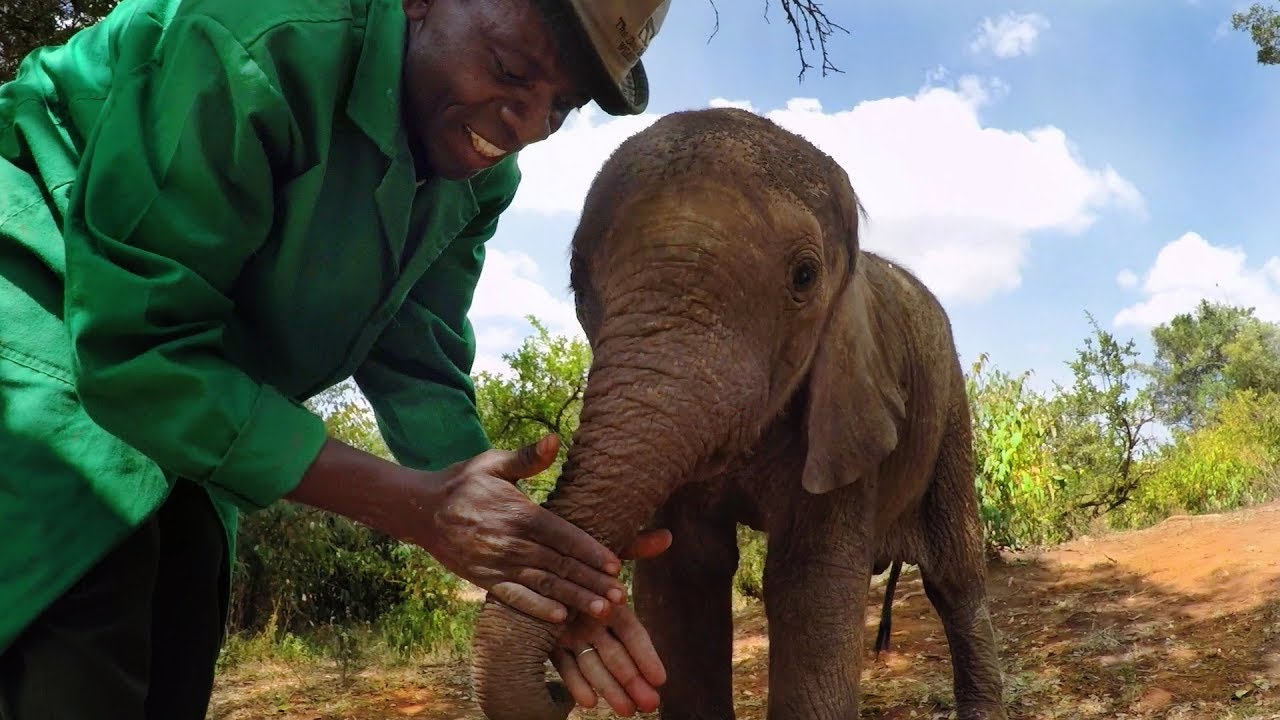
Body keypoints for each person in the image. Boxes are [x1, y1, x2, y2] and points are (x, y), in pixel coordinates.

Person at [0, 0, 675, 717]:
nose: (531, 125)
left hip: (192, 375)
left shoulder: (478, 176)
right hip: (45, 289)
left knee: (182, 615)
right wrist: (423, 511)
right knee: (89, 585)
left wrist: (527, 556)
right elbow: (133, 347)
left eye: (563, 106)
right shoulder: (257, 32)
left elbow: (416, 347)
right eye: (511, 71)